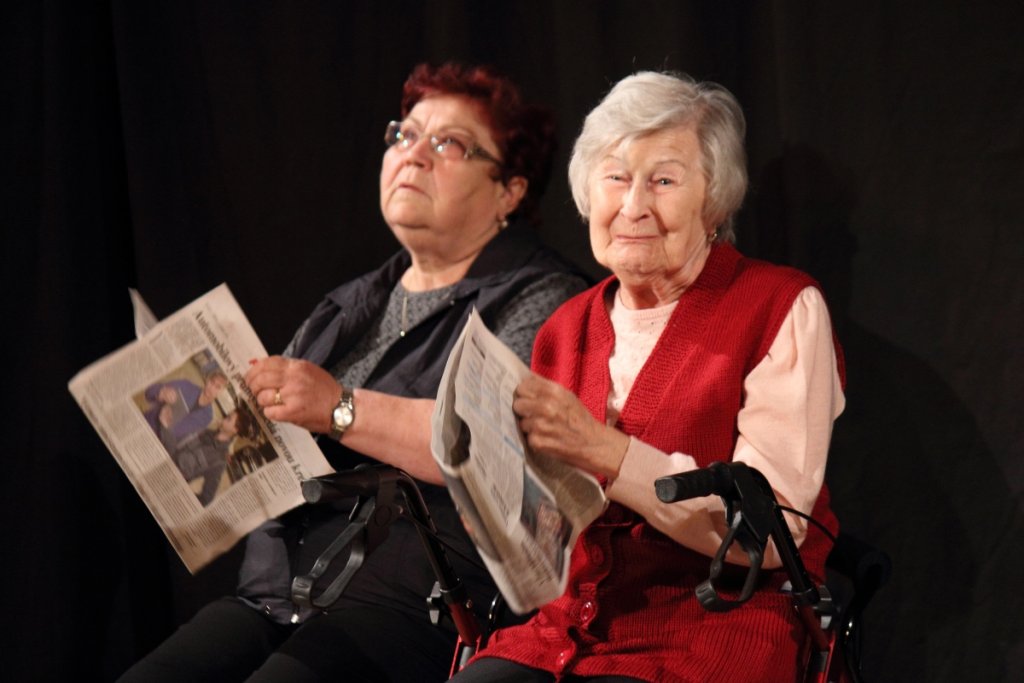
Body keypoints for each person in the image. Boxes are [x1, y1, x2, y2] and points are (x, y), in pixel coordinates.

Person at [118, 62, 587, 683]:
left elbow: (493, 446)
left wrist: (339, 408)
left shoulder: (545, 299)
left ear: (510, 191)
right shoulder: (351, 303)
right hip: (279, 593)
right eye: (405, 135)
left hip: (412, 603)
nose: (413, 155)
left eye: (449, 143)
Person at [449, 71, 846, 683]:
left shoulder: (780, 307)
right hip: (567, 629)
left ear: (714, 202)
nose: (633, 206)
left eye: (663, 181)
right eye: (615, 178)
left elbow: (771, 535)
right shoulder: (564, 328)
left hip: (717, 621)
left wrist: (608, 452)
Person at [171, 405, 258, 506]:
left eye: (229, 418)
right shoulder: (206, 431)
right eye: (227, 415)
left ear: (235, 430)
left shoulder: (220, 461)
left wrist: (181, 496)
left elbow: (206, 498)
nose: (225, 417)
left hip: (171, 483)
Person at [143, 370, 229, 450]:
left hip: (160, 443)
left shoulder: (207, 417)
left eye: (218, 387)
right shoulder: (185, 386)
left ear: (221, 392)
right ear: (207, 380)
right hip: (147, 424)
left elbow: (180, 436)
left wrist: (165, 426)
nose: (212, 388)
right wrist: (160, 392)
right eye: (212, 382)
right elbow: (149, 392)